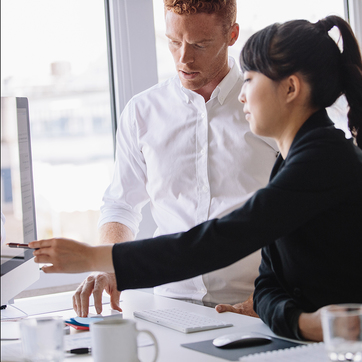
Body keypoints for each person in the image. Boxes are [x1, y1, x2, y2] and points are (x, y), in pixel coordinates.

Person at [30, 15, 362, 342]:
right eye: (173, 42)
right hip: (299, 338)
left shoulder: (323, 158)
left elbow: (221, 240)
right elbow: (268, 287)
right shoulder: (297, 158)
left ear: (291, 88)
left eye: (251, 79)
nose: (243, 95)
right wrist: (304, 323)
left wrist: (92, 256)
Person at [72, 0, 278, 317]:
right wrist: (107, 266)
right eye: (173, 41)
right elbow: (121, 205)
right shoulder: (141, 113)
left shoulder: (270, 106)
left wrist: (277, 297)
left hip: (255, 304)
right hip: (168, 306)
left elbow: (303, 213)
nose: (184, 57)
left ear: (232, 35)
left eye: (200, 44)